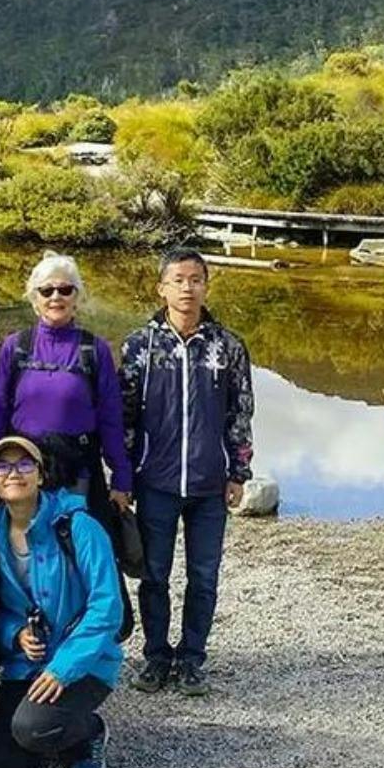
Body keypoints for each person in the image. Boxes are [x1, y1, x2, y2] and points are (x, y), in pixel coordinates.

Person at [119, 248, 254, 696]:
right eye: (178, 279)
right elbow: (125, 418)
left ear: (206, 286)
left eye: (196, 279)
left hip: (208, 484)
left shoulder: (228, 346)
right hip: (154, 482)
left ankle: (192, 658)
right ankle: (156, 656)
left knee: (204, 576)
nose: (187, 287)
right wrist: (123, 478)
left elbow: (241, 412)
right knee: (153, 573)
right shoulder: (140, 346)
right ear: (162, 288)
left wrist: (238, 471)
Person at [0, 435, 121, 768]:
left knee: (32, 728)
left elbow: (107, 605)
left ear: (41, 475)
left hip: (84, 661)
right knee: (4, 766)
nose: (14, 473)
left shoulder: (79, 527)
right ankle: (50, 727)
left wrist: (63, 669)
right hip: (26, 664)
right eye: (3, 466)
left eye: (25, 464)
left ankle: (88, 730)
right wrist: (15, 633)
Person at [0, 252, 132, 515]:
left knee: (77, 548)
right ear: (34, 300)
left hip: (78, 470)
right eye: (46, 290)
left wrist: (121, 477)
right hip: (23, 469)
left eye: (65, 289)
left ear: (77, 298)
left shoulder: (95, 350)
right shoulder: (15, 347)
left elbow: (111, 419)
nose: (55, 297)